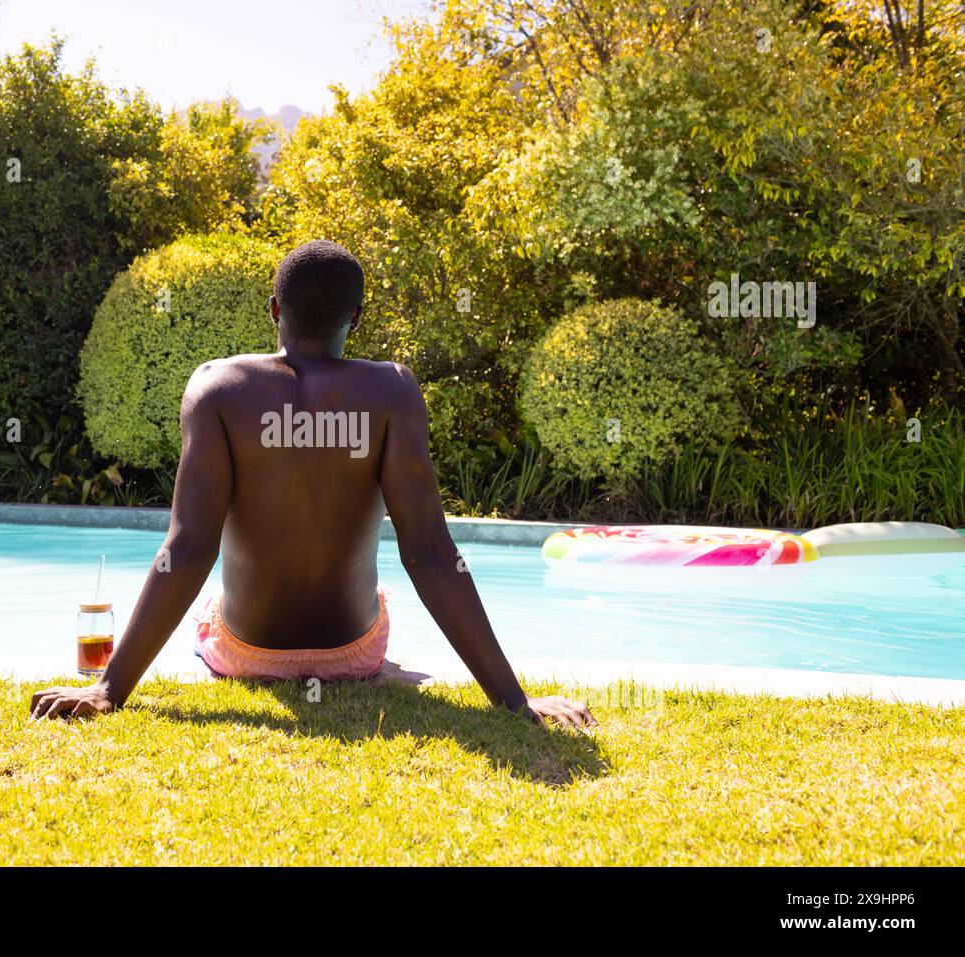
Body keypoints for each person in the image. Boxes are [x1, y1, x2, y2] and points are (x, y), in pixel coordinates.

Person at [31, 240, 595, 729]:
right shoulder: (392, 391)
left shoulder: (217, 387)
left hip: (244, 652)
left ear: (275, 309)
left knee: (215, 597)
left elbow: (188, 546)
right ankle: (382, 670)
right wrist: (514, 701)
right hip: (354, 653)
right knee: (378, 594)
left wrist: (108, 688)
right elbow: (428, 553)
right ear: (356, 317)